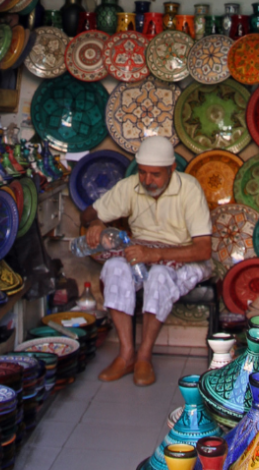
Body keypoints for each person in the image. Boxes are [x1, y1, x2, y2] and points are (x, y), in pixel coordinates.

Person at [80, 135, 212, 386]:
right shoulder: (131, 186)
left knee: (160, 276)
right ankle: (126, 354)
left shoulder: (190, 188)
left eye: (155, 174)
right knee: (114, 267)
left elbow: (203, 249)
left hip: (185, 256)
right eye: (143, 173)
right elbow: (89, 213)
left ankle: (144, 356)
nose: (148, 181)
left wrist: (157, 255)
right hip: (143, 253)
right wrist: (95, 223)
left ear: (172, 169)